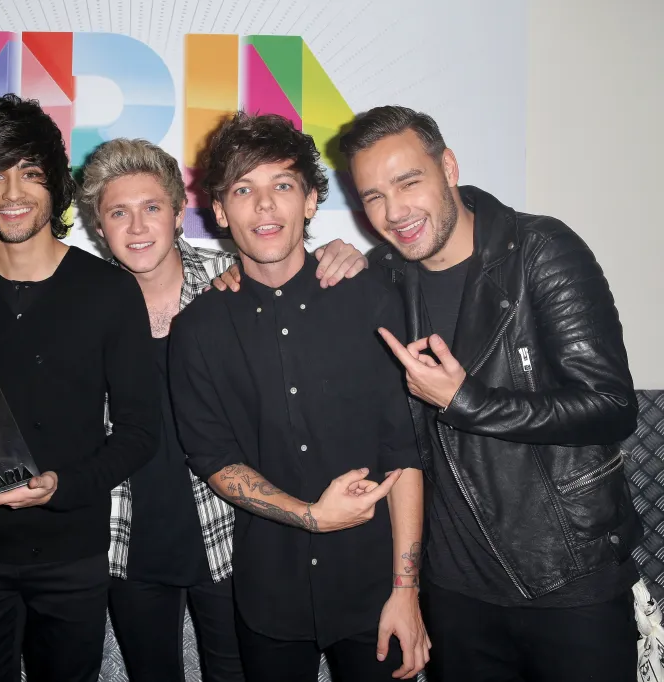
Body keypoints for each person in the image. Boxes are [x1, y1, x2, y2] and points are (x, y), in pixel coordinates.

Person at [217, 105, 643, 681]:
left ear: (449, 168)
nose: (395, 211)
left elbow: (611, 405)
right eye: (373, 196)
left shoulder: (539, 250)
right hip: (454, 589)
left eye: (408, 182)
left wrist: (466, 399)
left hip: (565, 572)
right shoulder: (385, 276)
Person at [76, 138, 368, 682]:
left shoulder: (232, 280)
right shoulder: (84, 303)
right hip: (128, 538)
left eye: (152, 207)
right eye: (118, 212)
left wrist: (344, 254)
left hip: (232, 535)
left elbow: (296, 275)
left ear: (178, 214)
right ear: (98, 225)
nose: (137, 227)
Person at [169, 112, 429, 682]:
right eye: (244, 190)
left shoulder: (371, 299)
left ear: (310, 201)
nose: (265, 205)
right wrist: (310, 517)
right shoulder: (198, 330)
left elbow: (404, 451)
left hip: (375, 594)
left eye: (282, 185)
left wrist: (406, 592)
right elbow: (214, 459)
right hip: (269, 599)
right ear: (219, 210)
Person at [0, 95, 160, 682]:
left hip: (72, 553)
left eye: (29, 172)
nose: (12, 192)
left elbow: (140, 432)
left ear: (57, 184)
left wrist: (61, 486)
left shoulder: (109, 291)